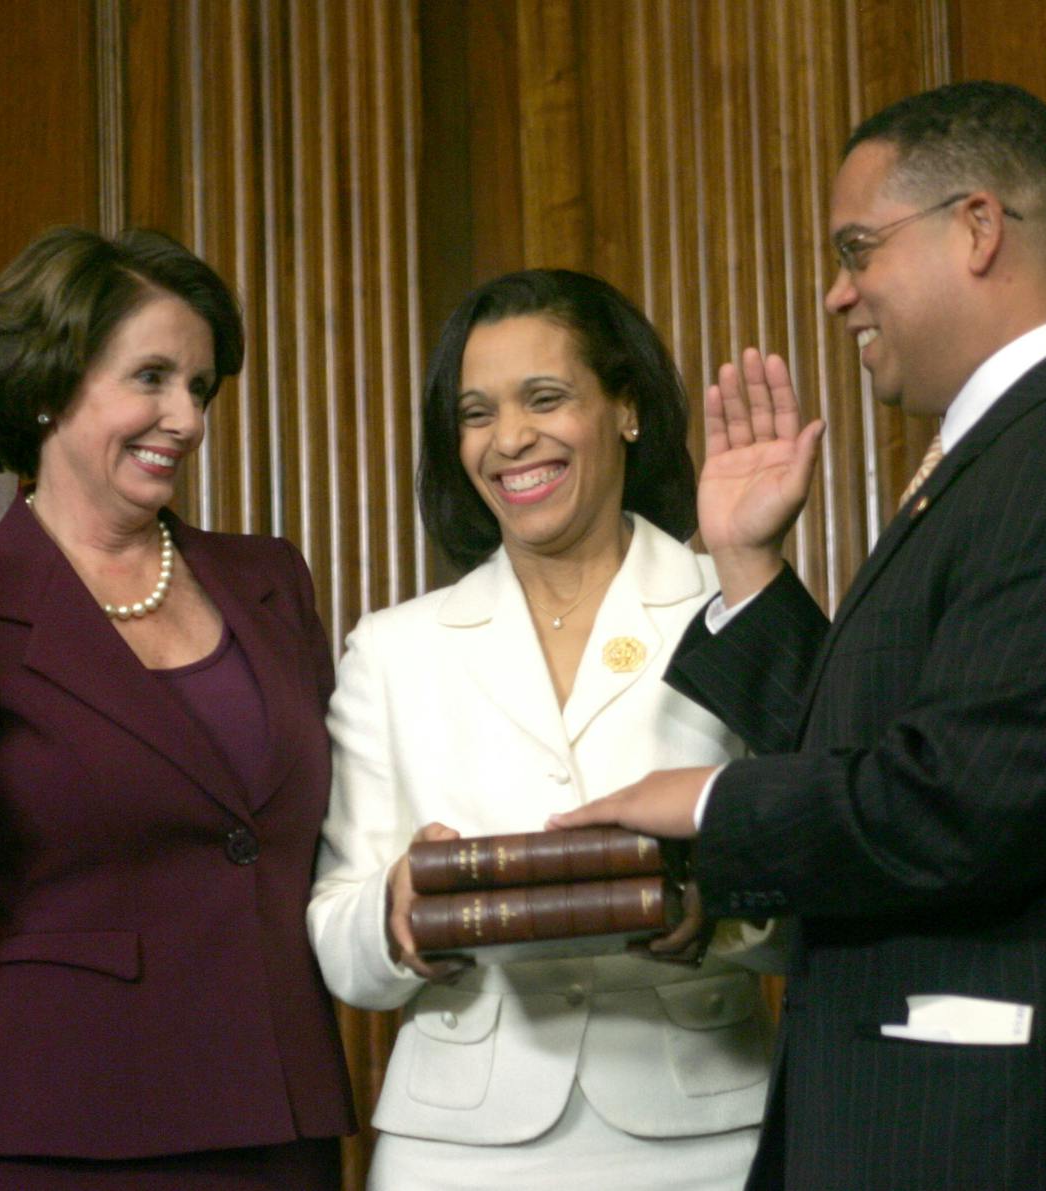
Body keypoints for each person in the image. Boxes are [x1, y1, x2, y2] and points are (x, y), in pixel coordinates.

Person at [553, 81, 1046, 1189]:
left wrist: (702, 802)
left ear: (975, 228)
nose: (837, 294)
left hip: (995, 1139)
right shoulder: (1012, 447)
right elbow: (885, 747)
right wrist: (744, 564)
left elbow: (958, 806)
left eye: (857, 248)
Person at [0, 226, 354, 1188]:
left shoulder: (271, 579)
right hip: (62, 1128)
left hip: (278, 1118)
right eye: (150, 377)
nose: (185, 417)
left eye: (199, 386)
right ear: (46, 389)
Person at [307, 269, 782, 1190]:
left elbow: (828, 875)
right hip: (456, 1150)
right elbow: (337, 935)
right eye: (477, 412)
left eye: (546, 398)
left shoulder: (732, 610)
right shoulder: (393, 649)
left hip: (710, 1135)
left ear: (628, 409)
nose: (510, 438)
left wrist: (712, 908)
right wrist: (396, 916)